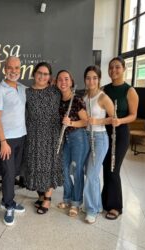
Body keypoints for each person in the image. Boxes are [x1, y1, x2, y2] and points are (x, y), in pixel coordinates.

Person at [0, 56, 26, 226]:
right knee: (8, 173)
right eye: (10, 68)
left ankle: (7, 200)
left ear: (20, 69)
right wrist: (3, 142)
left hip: (21, 136)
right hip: (6, 140)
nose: (14, 71)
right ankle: (9, 206)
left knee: (14, 172)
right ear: (5, 69)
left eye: (17, 68)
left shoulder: (22, 88)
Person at [102, 56, 139, 220]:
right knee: (105, 168)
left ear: (124, 69)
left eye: (117, 67)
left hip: (121, 131)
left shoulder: (130, 91)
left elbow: (133, 115)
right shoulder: (104, 89)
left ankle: (116, 206)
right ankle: (104, 201)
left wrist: (119, 121)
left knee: (113, 169)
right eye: (111, 67)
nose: (113, 70)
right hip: (105, 131)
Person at [24, 62, 63, 214]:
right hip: (33, 134)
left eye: (46, 74)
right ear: (34, 73)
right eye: (39, 73)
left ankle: (47, 199)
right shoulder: (26, 92)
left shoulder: (55, 91)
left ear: (50, 77)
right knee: (36, 165)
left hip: (52, 134)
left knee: (49, 166)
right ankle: (41, 195)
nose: (42, 76)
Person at [82, 65, 114, 224]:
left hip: (100, 138)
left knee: (92, 174)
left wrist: (98, 121)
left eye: (94, 77)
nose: (91, 81)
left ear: (99, 79)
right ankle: (98, 205)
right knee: (90, 174)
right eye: (88, 78)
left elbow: (115, 119)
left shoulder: (103, 97)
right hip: (86, 136)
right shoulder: (84, 97)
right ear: (85, 80)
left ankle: (92, 210)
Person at [55, 70, 88, 218]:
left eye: (66, 79)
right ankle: (67, 199)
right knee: (64, 169)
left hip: (78, 137)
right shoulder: (58, 99)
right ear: (56, 82)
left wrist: (71, 122)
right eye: (60, 79)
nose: (63, 82)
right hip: (65, 139)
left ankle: (76, 203)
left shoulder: (77, 100)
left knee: (78, 170)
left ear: (71, 82)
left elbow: (86, 121)